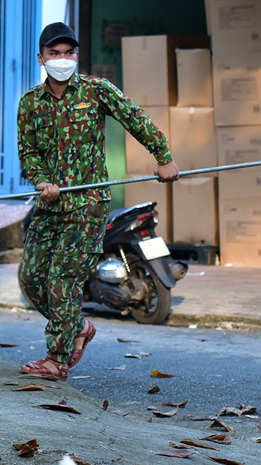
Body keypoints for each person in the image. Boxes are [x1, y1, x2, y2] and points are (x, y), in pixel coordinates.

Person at [16, 21, 179, 382]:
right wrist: (42, 179)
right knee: (30, 278)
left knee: (61, 280)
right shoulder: (30, 104)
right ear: (41, 58)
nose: (62, 59)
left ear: (77, 55)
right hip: (49, 205)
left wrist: (163, 157)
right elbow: (28, 152)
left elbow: (135, 118)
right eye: (54, 53)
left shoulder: (95, 91)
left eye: (68, 52)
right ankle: (79, 326)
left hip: (87, 205)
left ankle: (56, 360)